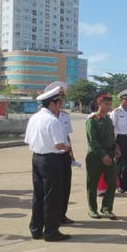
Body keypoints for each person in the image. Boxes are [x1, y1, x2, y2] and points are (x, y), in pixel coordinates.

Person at [24, 87, 71, 241]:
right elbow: (59, 145)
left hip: (36, 158)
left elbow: (27, 140)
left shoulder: (34, 118)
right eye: (59, 102)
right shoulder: (53, 120)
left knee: (38, 195)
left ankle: (36, 229)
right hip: (51, 160)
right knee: (52, 197)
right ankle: (51, 231)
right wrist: (67, 147)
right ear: (52, 103)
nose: (61, 105)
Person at [43, 81, 75, 224]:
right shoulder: (45, 117)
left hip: (64, 155)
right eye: (59, 98)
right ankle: (51, 217)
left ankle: (62, 214)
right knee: (52, 190)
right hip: (51, 156)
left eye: (63, 98)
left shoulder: (64, 116)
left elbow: (67, 137)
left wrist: (71, 154)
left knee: (65, 187)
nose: (62, 101)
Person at [86, 94, 119, 219]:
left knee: (112, 183)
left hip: (109, 156)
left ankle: (106, 208)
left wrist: (116, 147)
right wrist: (103, 155)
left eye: (109, 104)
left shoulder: (108, 119)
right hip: (95, 157)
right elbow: (92, 141)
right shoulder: (92, 120)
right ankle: (92, 209)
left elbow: (111, 137)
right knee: (92, 184)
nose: (109, 106)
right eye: (106, 104)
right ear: (99, 104)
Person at [111, 89, 127, 193]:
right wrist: (115, 143)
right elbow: (112, 128)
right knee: (120, 163)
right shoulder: (116, 112)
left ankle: (126, 184)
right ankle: (118, 185)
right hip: (121, 138)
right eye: (126, 99)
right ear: (121, 100)